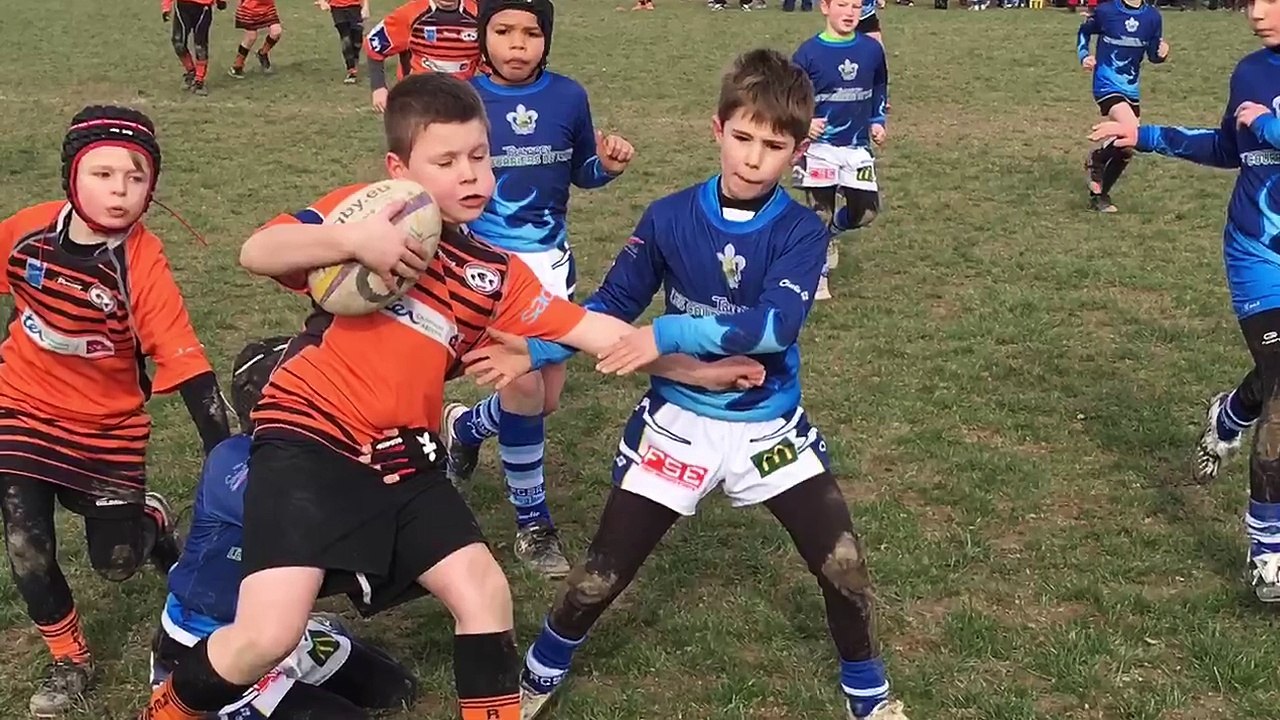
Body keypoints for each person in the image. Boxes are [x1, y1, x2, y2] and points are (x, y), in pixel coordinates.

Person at [137, 72, 750, 720]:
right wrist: (352, 242)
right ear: (400, 168)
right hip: (310, 439)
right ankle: (168, 709)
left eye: (480, 156)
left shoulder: (494, 273)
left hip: (404, 455)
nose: (470, 175)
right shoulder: (367, 217)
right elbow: (258, 250)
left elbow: (595, 330)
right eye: (447, 161)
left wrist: (696, 369)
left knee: (483, 591)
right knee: (268, 634)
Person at [464, 48, 909, 720]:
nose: (755, 157)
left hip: (769, 425)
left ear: (796, 151)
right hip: (679, 424)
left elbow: (774, 329)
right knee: (599, 576)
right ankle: (541, 669)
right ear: (717, 128)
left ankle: (868, 697)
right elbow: (611, 304)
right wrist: (532, 348)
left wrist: (666, 335)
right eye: (743, 137)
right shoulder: (669, 216)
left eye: (774, 145)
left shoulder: (799, 230)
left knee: (843, 565)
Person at [0, 105, 231, 717]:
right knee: (26, 542)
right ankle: (69, 657)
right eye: (102, 175)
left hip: (107, 427)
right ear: (71, 177)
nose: (120, 192)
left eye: (135, 178)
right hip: (20, 407)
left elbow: (186, 363)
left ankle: (148, 524)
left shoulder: (141, 263)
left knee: (117, 564)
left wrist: (228, 453)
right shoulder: (26, 231)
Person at [1089, 0, 1279, 599]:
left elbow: (1264, 133)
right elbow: (1229, 147)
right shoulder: (1250, 72)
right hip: (1259, 253)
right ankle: (1268, 552)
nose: (1256, 11)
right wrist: (1142, 134)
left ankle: (1230, 414)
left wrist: (1269, 127)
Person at [443, 0, 634, 579]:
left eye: (530, 33)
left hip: (552, 269)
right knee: (525, 396)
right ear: (485, 36)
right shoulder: (463, 99)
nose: (517, 44)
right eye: (503, 31)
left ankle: (464, 428)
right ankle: (533, 525)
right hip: (490, 272)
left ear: (546, 39)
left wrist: (606, 165)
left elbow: (580, 171)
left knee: (544, 401)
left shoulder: (569, 97)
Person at [148, 336, 421, 719]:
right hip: (209, 643)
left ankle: (300, 646)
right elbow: (311, 520)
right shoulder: (233, 462)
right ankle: (177, 696)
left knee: (398, 688)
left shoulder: (321, 455)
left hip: (279, 633)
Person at [792, 0, 888, 300]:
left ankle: (830, 234)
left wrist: (877, 119)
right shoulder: (807, 53)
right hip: (819, 147)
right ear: (825, 7)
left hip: (857, 145)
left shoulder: (871, 50)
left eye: (856, 6)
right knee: (820, 212)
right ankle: (817, 277)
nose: (849, 12)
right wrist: (804, 123)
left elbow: (880, 84)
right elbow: (790, 97)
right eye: (842, 4)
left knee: (867, 211)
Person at [1077, 0, 1170, 212]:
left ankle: (1099, 196)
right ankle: (1097, 158)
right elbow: (1084, 31)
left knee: (1127, 148)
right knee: (1132, 131)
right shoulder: (1106, 11)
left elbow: (1153, 55)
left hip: (1131, 89)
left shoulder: (1153, 17)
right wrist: (1084, 56)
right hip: (1106, 83)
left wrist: (1162, 54)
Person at [365, 0, 483, 114]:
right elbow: (374, 45)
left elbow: (491, 59)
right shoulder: (410, 13)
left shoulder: (479, 14)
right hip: (417, 100)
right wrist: (378, 87)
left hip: (462, 100)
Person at [163, 0, 225, 96]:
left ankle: (199, 80)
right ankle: (191, 71)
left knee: (200, 45)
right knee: (178, 43)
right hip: (183, 7)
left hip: (203, 8)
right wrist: (166, 7)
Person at [316, 0, 371, 84]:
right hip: (337, 9)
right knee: (346, 38)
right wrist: (322, 2)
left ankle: (354, 58)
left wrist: (365, 7)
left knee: (357, 40)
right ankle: (351, 71)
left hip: (355, 7)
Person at [228, 0, 284, 79]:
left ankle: (262, 53)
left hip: (267, 8)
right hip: (249, 9)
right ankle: (237, 66)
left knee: (276, 32)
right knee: (251, 37)